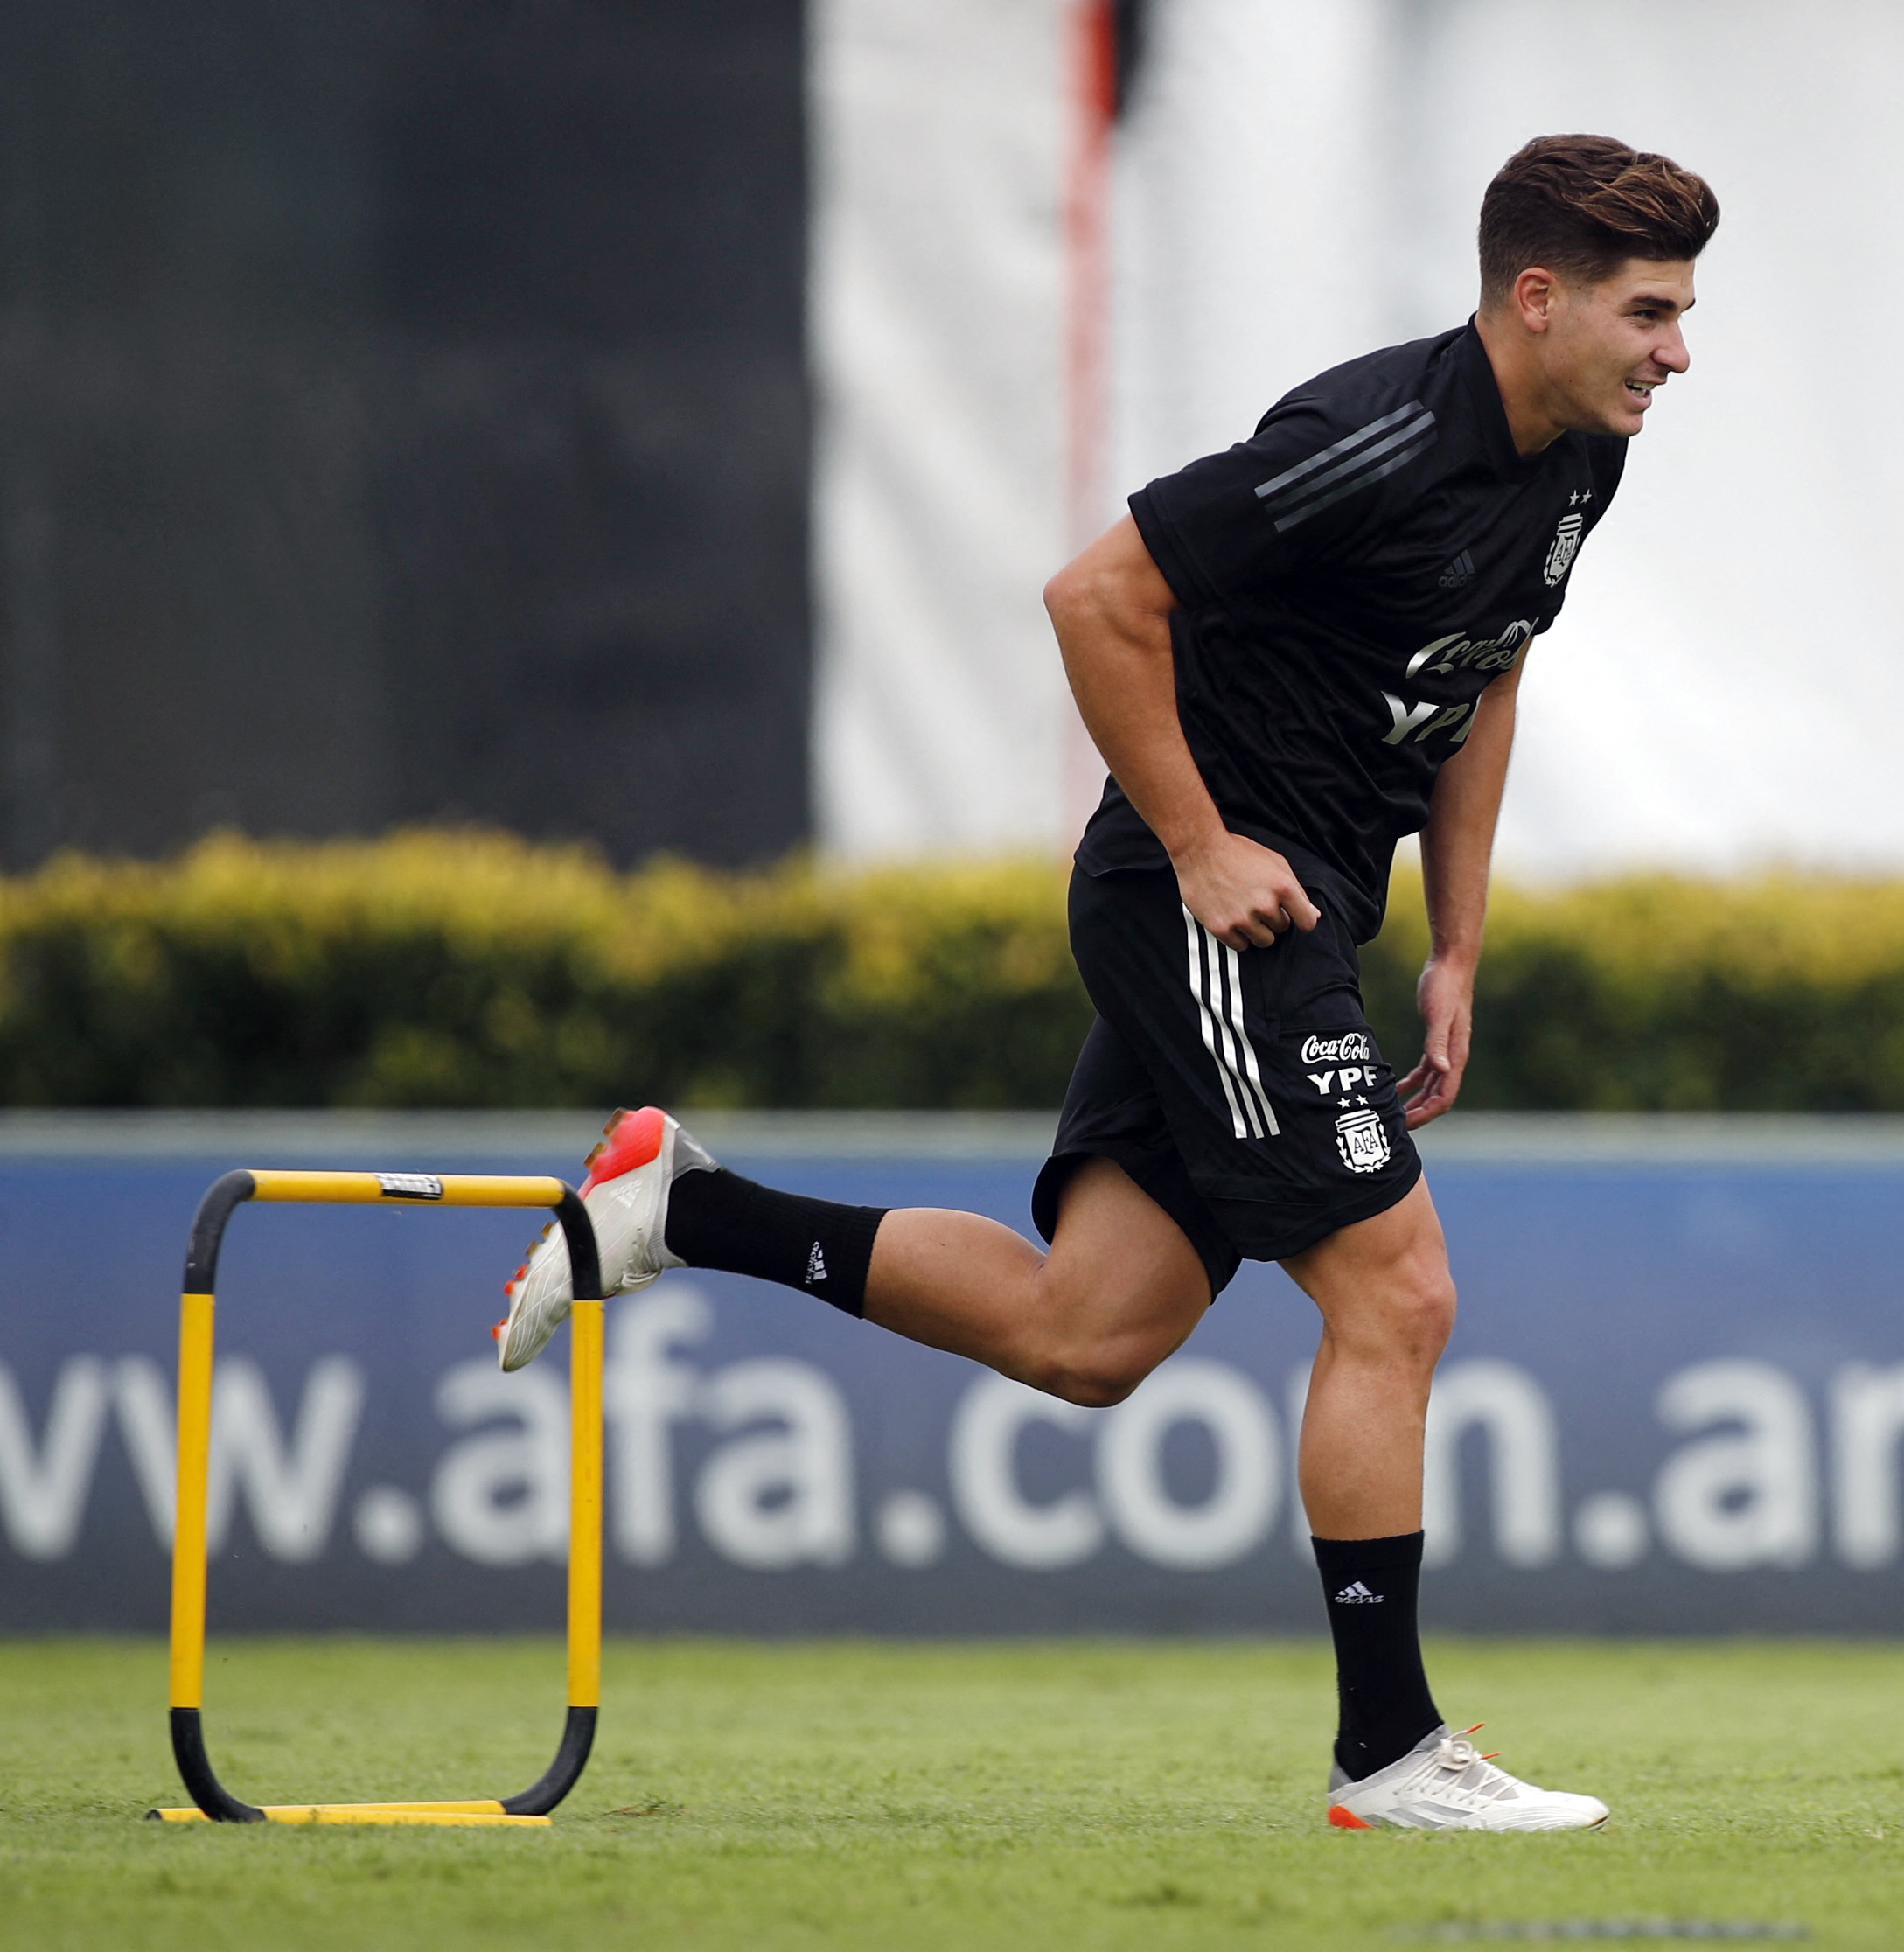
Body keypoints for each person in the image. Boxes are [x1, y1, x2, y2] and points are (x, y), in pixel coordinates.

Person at [496, 132, 1716, 1833]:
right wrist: (1203, 846)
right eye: (1649, 312)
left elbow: (1485, 674)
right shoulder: (1368, 435)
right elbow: (1094, 596)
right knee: (1400, 1298)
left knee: (1087, 1336)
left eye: (1679, 313)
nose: (1676, 352)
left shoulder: (1578, 461)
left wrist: (1455, 941)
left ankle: (680, 1210)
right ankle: (1389, 1754)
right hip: (1208, 903)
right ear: (1535, 298)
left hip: (1290, 909)